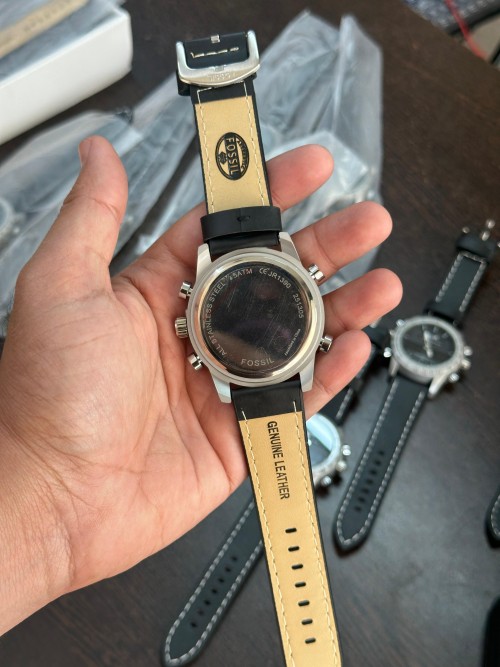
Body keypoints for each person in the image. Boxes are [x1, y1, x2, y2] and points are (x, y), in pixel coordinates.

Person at [0, 136, 402, 635]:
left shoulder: (241, 305)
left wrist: (43, 494)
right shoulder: (207, 323)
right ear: (187, 320)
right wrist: (43, 484)